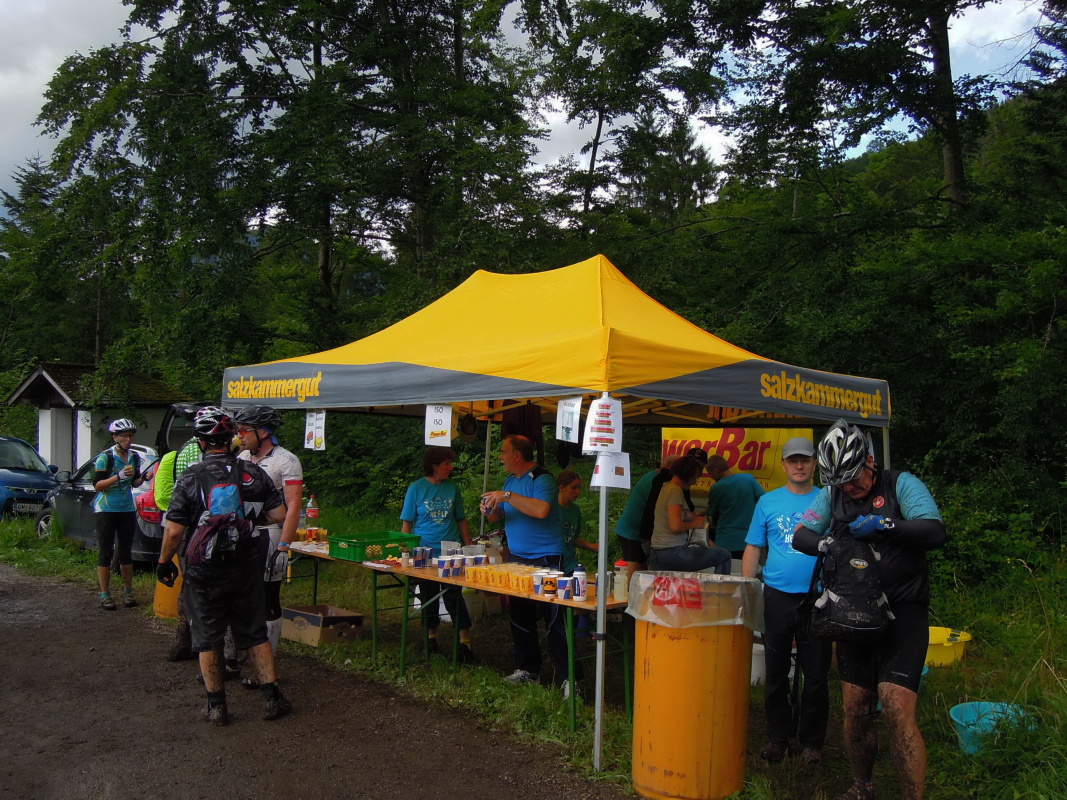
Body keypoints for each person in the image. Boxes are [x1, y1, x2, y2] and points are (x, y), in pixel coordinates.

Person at [793, 420, 946, 800]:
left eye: (853, 479)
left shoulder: (901, 484)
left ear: (870, 462)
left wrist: (885, 524)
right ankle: (862, 787)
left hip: (903, 609)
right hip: (854, 614)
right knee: (856, 708)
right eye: (840, 483)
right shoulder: (833, 494)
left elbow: (934, 532)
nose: (848, 488)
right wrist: (826, 544)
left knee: (896, 706)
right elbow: (801, 535)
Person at [156, 409, 291, 726]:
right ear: (230, 439)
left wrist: (163, 562)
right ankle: (272, 698)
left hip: (205, 570)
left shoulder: (191, 476)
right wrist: (247, 518)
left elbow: (173, 531)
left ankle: (216, 706)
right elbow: (279, 514)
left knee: (208, 637)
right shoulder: (253, 472)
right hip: (246, 565)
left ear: (201, 443)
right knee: (254, 632)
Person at [742, 436, 831, 766]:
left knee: (816, 674)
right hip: (777, 596)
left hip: (818, 597)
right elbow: (754, 546)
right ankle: (777, 738)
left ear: (814, 465)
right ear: (783, 465)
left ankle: (812, 742)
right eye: (793, 460)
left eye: (805, 460)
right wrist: (748, 590)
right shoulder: (767, 502)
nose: (799, 465)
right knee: (776, 672)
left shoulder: (827, 500)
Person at [481, 435, 574, 694]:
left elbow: (541, 510)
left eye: (503, 452)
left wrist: (507, 496)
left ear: (517, 455)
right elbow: (500, 517)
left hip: (546, 557)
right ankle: (528, 670)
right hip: (518, 557)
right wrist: (490, 510)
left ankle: (569, 678)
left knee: (554, 619)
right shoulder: (510, 481)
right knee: (520, 615)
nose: (500, 457)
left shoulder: (542, 478)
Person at [234, 405, 305, 681]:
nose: (239, 435)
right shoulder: (241, 456)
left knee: (267, 598)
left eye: (244, 430)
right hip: (242, 534)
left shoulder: (286, 460)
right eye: (238, 430)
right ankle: (243, 653)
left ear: (263, 432)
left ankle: (266, 665)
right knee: (241, 597)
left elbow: (294, 505)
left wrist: (284, 546)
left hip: (269, 533)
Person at [400, 446, 474, 661]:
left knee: (453, 595)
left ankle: (465, 642)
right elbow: (407, 523)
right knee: (428, 594)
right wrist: (404, 551)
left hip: (450, 550)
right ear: (433, 466)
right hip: (424, 551)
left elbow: (460, 518)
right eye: (446, 464)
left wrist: (468, 546)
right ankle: (430, 638)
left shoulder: (452, 488)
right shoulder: (416, 488)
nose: (451, 468)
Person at [92, 419, 146, 610]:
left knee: (125, 551)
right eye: (124, 436)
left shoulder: (134, 457)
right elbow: (97, 486)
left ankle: (128, 592)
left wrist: (143, 478)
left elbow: (135, 482)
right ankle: (105, 594)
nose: (128, 440)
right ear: (115, 437)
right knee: (105, 551)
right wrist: (118, 476)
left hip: (127, 508)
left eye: (131, 436)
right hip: (106, 509)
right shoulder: (105, 458)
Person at [647, 455, 731, 574]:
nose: (694, 482)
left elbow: (676, 515)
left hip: (658, 552)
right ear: (687, 475)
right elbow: (675, 526)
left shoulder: (666, 487)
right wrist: (695, 524)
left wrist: (694, 516)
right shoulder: (675, 491)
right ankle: (721, 586)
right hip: (672, 551)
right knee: (724, 555)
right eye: (694, 478)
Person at [706, 454, 766, 558]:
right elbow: (764, 500)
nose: (711, 477)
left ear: (715, 470)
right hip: (750, 539)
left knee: (726, 567)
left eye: (710, 474)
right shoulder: (748, 479)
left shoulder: (716, 487)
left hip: (725, 540)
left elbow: (712, 512)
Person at [556, 470, 598, 574]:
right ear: (561, 488)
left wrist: (591, 546)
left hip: (570, 563)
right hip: (553, 563)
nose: (577, 491)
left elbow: (573, 537)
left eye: (579, 488)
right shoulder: (550, 508)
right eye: (573, 488)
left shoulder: (575, 510)